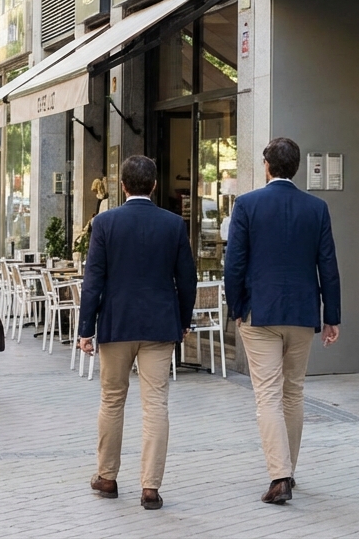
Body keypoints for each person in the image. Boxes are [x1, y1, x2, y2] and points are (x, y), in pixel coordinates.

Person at [224, 137, 341, 505]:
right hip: (303, 313)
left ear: (267, 166)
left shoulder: (247, 205)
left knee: (269, 396)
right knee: (294, 392)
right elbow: (328, 265)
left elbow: (234, 263)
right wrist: (331, 316)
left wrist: (237, 308)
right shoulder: (316, 208)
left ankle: (279, 476)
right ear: (297, 167)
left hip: (260, 314)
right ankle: (288, 471)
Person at [78, 156, 196, 508]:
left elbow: (93, 280)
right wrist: (183, 320)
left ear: (122, 186)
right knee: (156, 402)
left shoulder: (105, 222)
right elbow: (186, 279)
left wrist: (85, 329)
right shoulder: (173, 224)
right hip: (160, 324)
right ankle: (150, 487)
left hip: (117, 323)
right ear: (155, 185)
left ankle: (107, 476)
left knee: (112, 399)